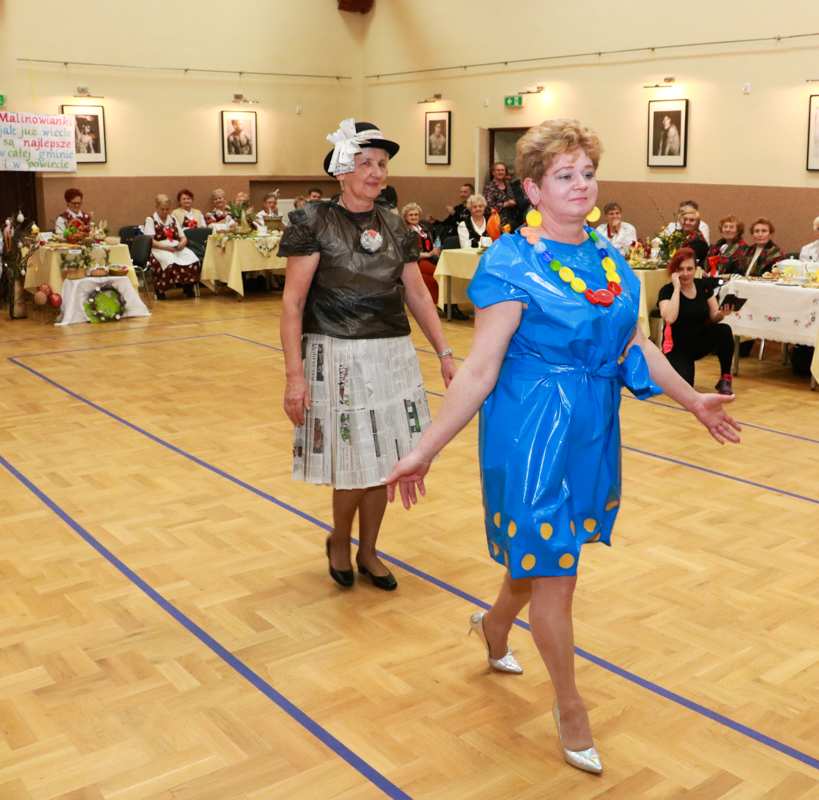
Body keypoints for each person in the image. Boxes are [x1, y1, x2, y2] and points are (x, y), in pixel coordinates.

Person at [382, 118, 740, 775]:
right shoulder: (509, 260)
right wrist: (424, 449)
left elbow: (636, 346)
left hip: (591, 429)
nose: (580, 185)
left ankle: (494, 626)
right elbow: (480, 370)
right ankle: (570, 706)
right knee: (557, 569)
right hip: (529, 431)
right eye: (564, 175)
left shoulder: (607, 257)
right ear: (533, 189)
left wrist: (693, 400)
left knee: (546, 555)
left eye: (587, 173)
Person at [278, 119, 456, 594]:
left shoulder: (396, 224)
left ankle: (369, 549)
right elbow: (293, 303)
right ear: (342, 170)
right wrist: (294, 376)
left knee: (387, 458)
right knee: (354, 459)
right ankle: (340, 539)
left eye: (382, 164)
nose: (376, 172)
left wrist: (445, 352)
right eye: (366, 163)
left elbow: (417, 293)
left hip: (392, 354)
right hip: (336, 353)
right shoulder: (313, 221)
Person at [658, 248, 736, 394]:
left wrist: (722, 314)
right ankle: (664, 370)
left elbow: (714, 316)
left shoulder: (703, 286)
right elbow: (670, 318)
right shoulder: (667, 291)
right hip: (678, 347)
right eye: (681, 269)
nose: (685, 273)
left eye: (689, 269)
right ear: (674, 271)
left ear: (696, 269)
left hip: (700, 342)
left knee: (724, 329)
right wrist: (677, 289)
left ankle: (725, 378)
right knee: (686, 386)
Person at [143, 193, 201, 300]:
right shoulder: (151, 220)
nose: (165, 212)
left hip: (175, 247)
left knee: (193, 259)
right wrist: (166, 248)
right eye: (162, 209)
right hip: (159, 248)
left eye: (167, 209)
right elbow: (150, 240)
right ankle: (161, 290)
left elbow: (182, 236)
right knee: (169, 262)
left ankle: (188, 287)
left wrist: (182, 243)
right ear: (156, 207)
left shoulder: (173, 219)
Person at [401, 202, 442, 305]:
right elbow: (407, 253)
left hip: (430, 259)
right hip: (414, 261)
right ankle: (441, 303)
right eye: (411, 215)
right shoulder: (404, 231)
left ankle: (445, 303)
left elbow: (431, 245)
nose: (414, 217)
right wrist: (429, 254)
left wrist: (434, 252)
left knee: (435, 276)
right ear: (405, 217)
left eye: (416, 214)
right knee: (440, 272)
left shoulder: (425, 229)